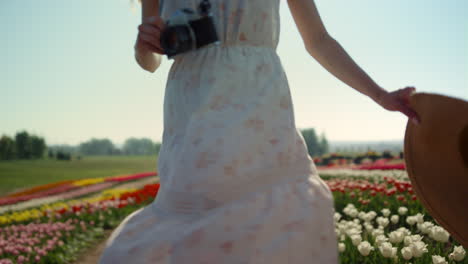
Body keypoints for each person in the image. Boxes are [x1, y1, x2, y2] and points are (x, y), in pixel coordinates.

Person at [99, 0, 421, 263]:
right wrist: (144, 45)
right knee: (196, 222)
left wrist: (379, 95)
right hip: (192, 117)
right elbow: (150, 60)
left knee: (274, 217)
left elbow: (318, 40)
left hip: (260, 105)